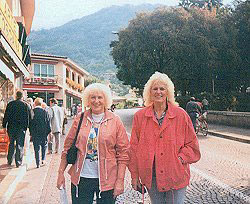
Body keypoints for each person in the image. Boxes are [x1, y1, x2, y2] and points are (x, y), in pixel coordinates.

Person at [129, 72, 201, 204]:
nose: (158, 92)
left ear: (168, 92)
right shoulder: (140, 116)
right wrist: (135, 175)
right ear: (149, 92)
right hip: (152, 176)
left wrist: (179, 158)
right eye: (155, 89)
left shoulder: (181, 115)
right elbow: (133, 148)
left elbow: (192, 145)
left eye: (162, 89)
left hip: (175, 174)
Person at [56, 83, 130, 204]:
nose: (96, 101)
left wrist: (120, 180)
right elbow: (67, 148)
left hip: (107, 180)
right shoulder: (80, 118)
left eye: (100, 97)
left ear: (105, 99)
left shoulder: (115, 121)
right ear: (87, 100)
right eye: (93, 97)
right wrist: (60, 173)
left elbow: (123, 153)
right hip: (81, 178)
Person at [2, 91, 31, 168]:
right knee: (19, 144)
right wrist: (28, 127)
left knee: (11, 143)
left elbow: (6, 116)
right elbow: (29, 117)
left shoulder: (10, 104)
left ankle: (9, 159)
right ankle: (18, 162)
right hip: (21, 128)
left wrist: (4, 126)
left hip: (11, 127)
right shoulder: (26, 105)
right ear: (22, 96)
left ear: (16, 96)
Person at [29, 98, 51, 168]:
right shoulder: (45, 112)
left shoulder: (32, 112)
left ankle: (37, 163)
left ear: (35, 104)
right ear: (41, 104)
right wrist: (47, 132)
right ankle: (43, 159)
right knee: (44, 146)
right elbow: (48, 123)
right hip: (43, 133)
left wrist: (31, 132)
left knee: (36, 148)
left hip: (35, 133)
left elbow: (30, 123)